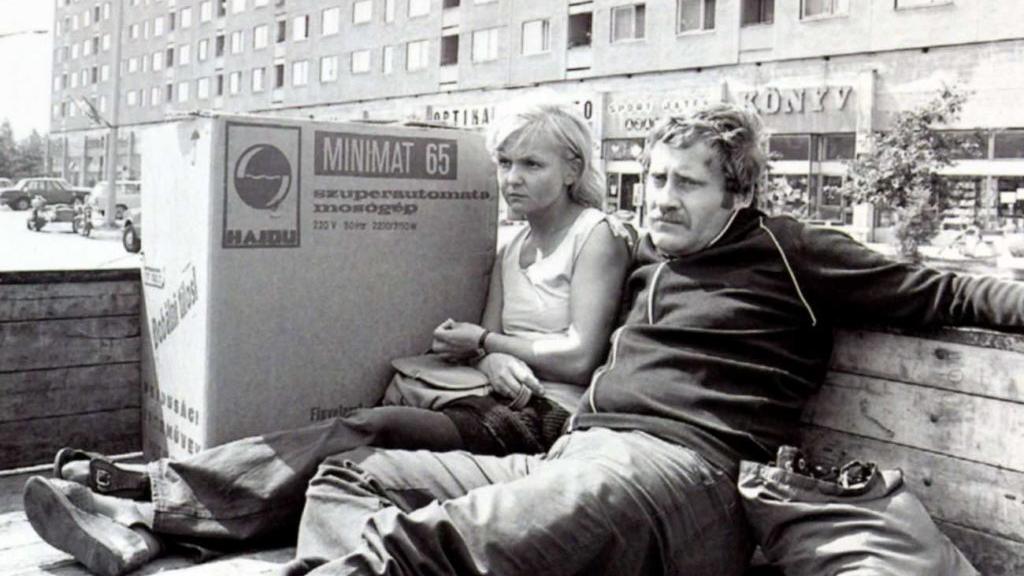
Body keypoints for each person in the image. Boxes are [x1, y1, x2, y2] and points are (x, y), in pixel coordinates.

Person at [267, 103, 1024, 576]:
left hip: (682, 474)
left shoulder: (789, 250)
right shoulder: (649, 264)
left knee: (442, 541)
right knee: (352, 476)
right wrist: (496, 351)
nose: (661, 199)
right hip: (574, 453)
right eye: (655, 179)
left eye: (686, 184)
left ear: (740, 194)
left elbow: (950, 292)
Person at [21, 102, 632, 576]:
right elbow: (487, 338)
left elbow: (581, 355)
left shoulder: (595, 235)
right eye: (505, 163)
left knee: (369, 429)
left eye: (532, 165)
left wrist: (491, 347)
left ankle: (141, 494)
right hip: (489, 397)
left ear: (573, 169)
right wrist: (488, 351)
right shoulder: (514, 243)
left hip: (544, 417)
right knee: (352, 451)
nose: (512, 178)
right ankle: (144, 518)